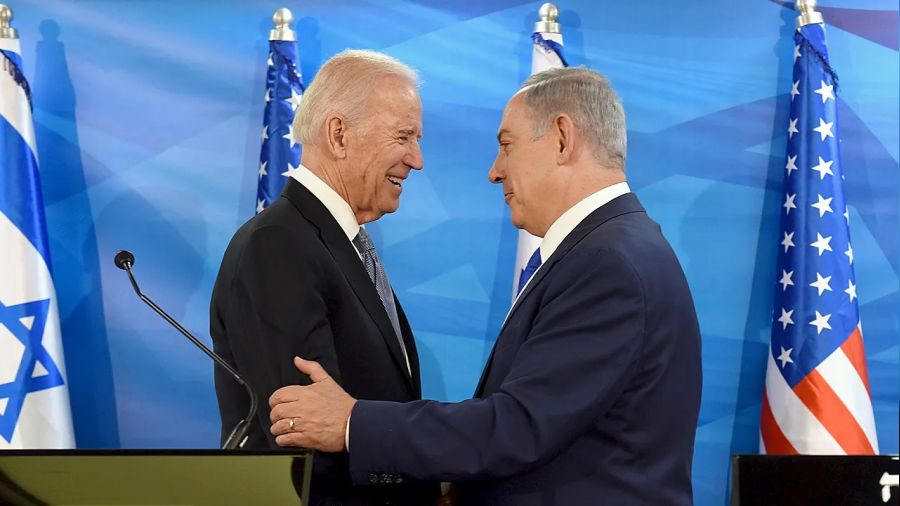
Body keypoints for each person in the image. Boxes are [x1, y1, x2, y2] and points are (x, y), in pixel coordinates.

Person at [268, 67, 703, 505]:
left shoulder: (606, 263)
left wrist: (350, 423)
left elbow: (520, 425)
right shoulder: (613, 248)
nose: (495, 172)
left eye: (506, 145)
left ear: (562, 138)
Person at [210, 49, 439, 505]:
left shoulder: (337, 242)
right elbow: (304, 440)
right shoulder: (279, 245)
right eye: (403, 137)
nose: (417, 159)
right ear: (338, 134)